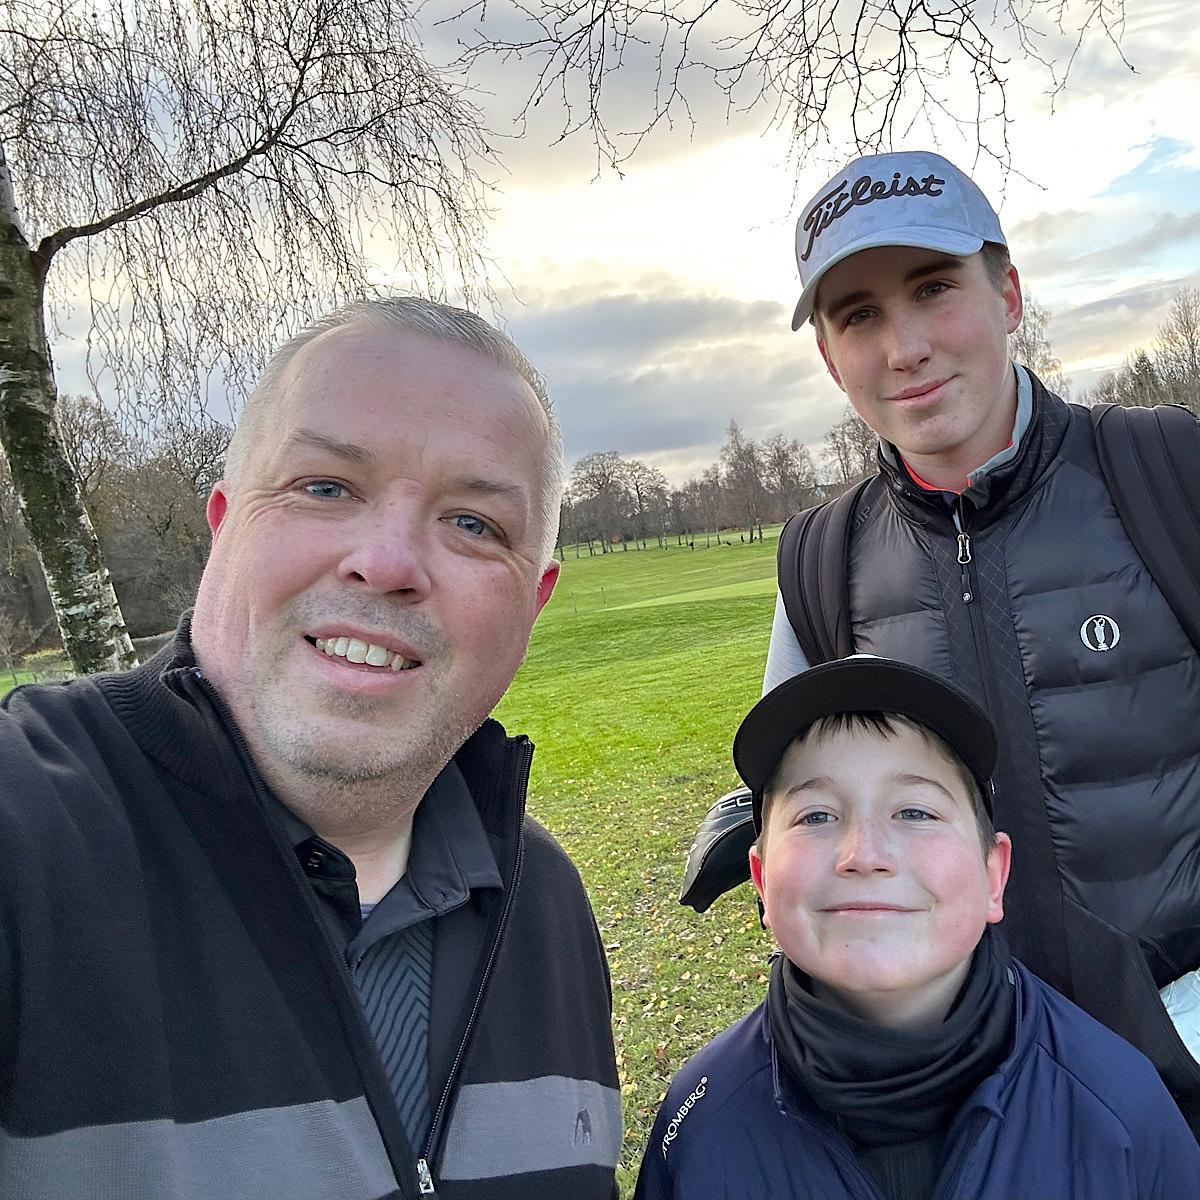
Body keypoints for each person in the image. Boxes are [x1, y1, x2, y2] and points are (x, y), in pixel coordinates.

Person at [0, 298, 620, 1199]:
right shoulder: (30, 834)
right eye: (325, 488)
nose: (389, 562)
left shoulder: (546, 907)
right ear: (224, 524)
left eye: (474, 524)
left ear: (535, 601)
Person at [763, 149, 1200, 1128]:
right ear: (829, 357)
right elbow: (802, 813)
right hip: (974, 1103)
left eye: (933, 289)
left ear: (1007, 295)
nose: (905, 347)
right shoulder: (820, 563)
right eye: (859, 316)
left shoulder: (1171, 471)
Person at [639, 656, 1200, 1200]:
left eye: (915, 812)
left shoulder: (1119, 1109)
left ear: (993, 876)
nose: (864, 855)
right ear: (761, 882)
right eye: (816, 816)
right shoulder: (701, 1125)